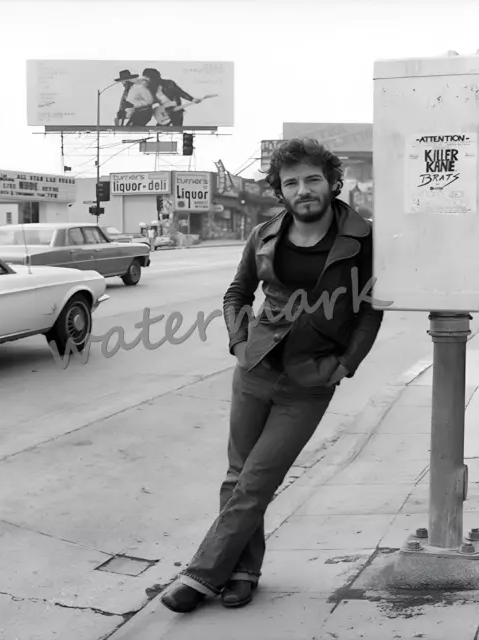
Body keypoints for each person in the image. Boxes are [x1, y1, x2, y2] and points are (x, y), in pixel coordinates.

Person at [160, 138, 384, 613]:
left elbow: (369, 311)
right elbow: (236, 294)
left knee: (257, 480)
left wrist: (345, 365)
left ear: (331, 182)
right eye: (292, 182)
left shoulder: (364, 240)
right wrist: (240, 344)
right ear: (280, 191)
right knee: (236, 477)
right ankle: (243, 572)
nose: (304, 190)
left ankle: (200, 576)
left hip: (309, 382)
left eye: (312, 179)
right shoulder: (263, 233)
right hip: (256, 369)